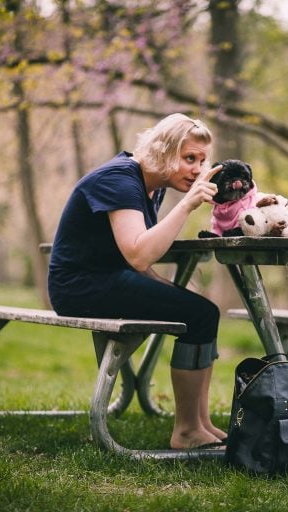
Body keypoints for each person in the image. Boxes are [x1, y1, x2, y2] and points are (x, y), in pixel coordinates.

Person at [47, 113, 226, 450]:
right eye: (190, 159)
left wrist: (167, 287)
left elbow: (138, 259)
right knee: (200, 314)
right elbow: (138, 255)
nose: (199, 170)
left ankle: (200, 423)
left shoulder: (148, 184)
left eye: (202, 160)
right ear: (163, 150)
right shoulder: (119, 179)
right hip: (80, 286)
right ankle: (186, 430)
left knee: (202, 311)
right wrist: (187, 205)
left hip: (106, 278)